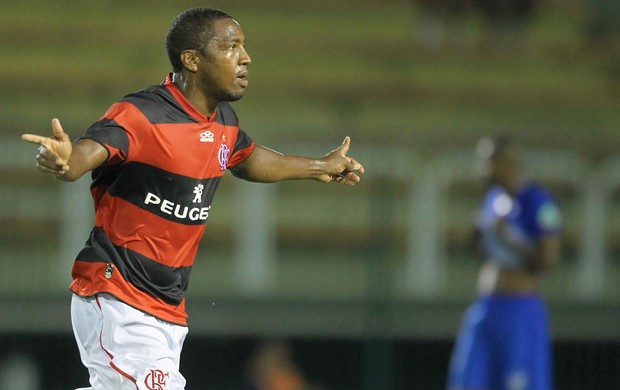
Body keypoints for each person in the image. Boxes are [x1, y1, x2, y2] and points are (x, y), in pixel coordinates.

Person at [21, 8, 364, 390]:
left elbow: (252, 160)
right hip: (117, 295)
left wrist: (320, 166)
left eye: (244, 47)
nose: (245, 57)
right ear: (192, 59)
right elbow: (84, 155)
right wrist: (65, 160)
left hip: (168, 310)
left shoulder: (224, 122)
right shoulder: (142, 114)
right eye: (231, 47)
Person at [447, 136, 562, 390]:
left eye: (489, 163)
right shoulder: (493, 200)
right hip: (486, 306)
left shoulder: (538, 201)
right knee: (468, 380)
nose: (482, 170)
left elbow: (548, 260)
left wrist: (507, 235)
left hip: (520, 311)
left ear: (508, 163)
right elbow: (491, 257)